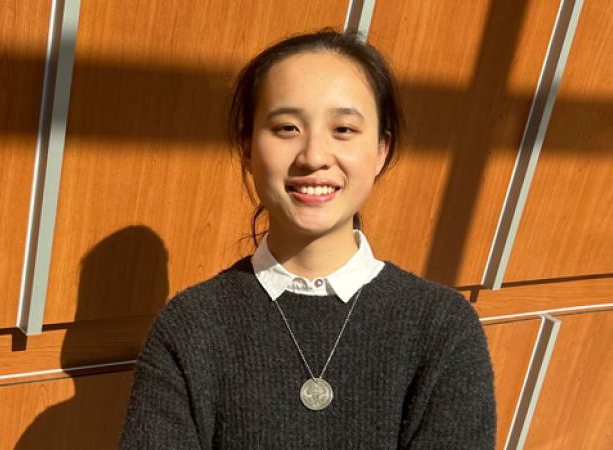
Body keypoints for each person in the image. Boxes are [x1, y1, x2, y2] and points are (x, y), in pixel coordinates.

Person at [119, 29, 496, 449]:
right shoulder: (189, 328)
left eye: (344, 129)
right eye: (287, 127)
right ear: (247, 147)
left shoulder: (443, 329)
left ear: (381, 150)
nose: (314, 156)